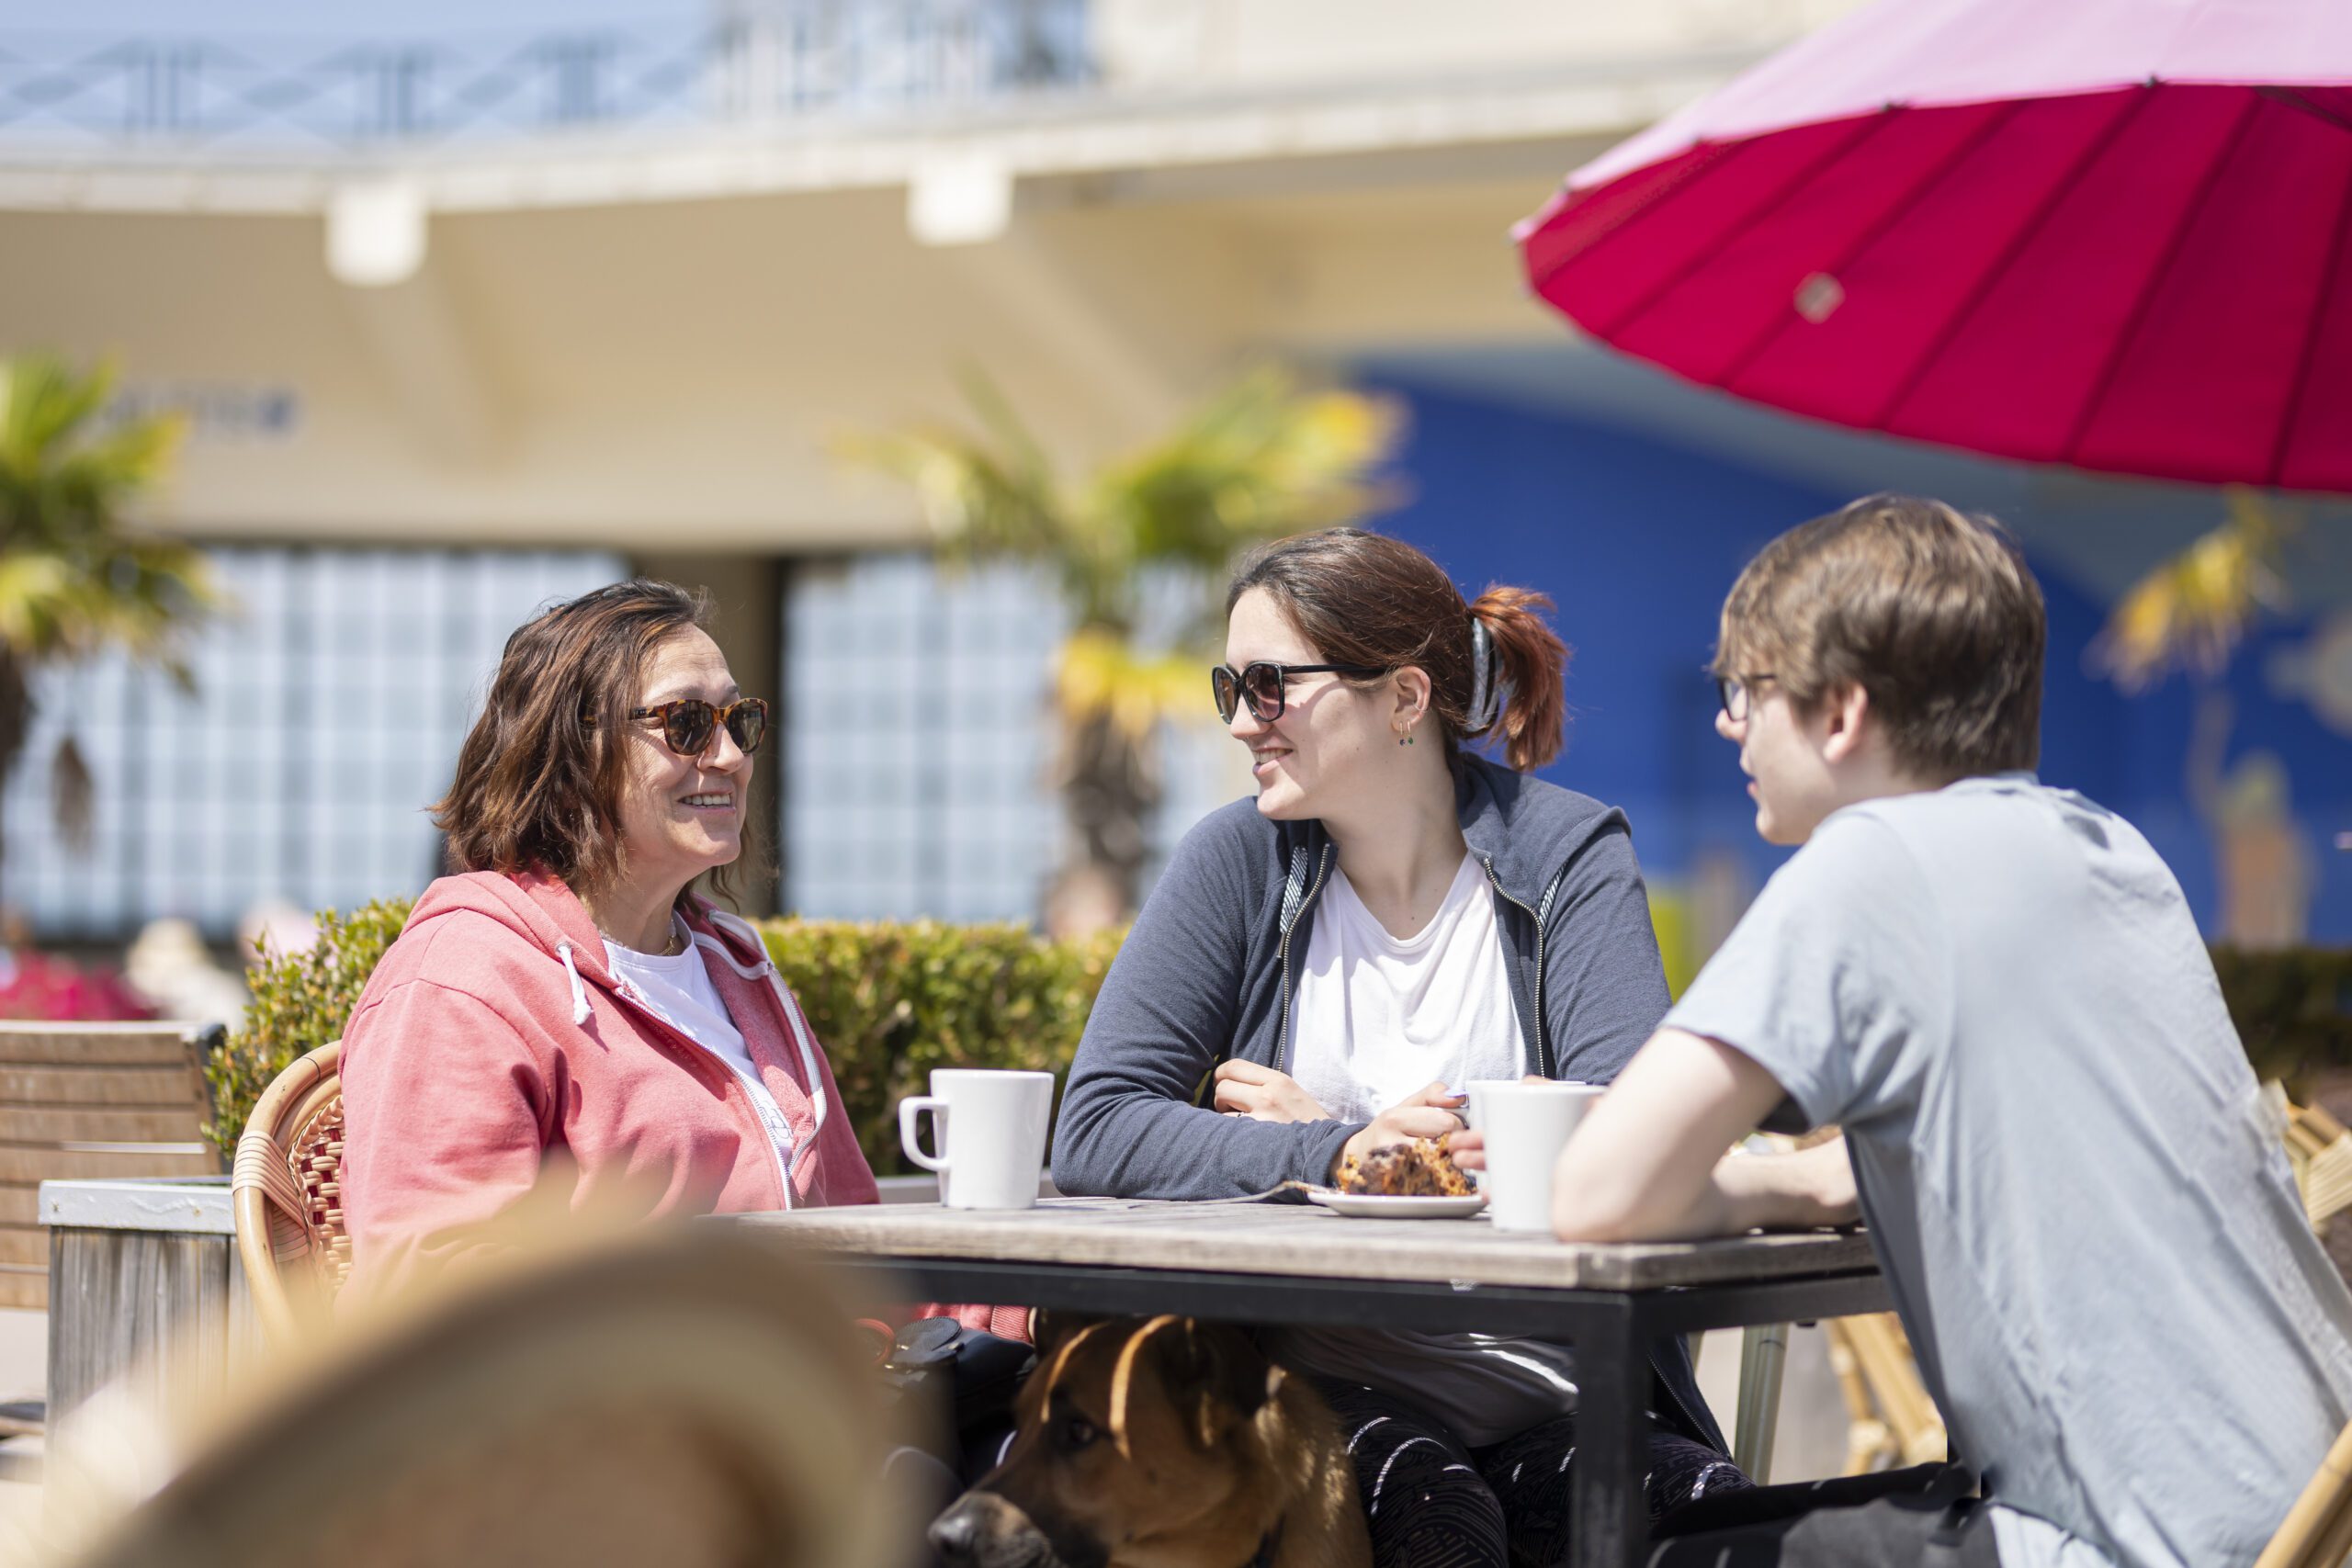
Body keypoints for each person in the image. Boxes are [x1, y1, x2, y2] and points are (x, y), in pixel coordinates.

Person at [1458, 495, 2352, 1567]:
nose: (1726, 725)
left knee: (1625, 1552)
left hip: (2131, 1545)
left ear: (1839, 713)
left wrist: (1783, 1184)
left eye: (1746, 691)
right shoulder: (2107, 851)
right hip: (2302, 1520)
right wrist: (1839, 1175)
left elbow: (1596, 1191)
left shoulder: (1871, 863)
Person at [1051, 528, 1747, 1568]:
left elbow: (1632, 1124)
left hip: (1555, 1386)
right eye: (1230, 687)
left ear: (1406, 700)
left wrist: (1384, 1150)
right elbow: (1099, 1124)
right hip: (1319, 1393)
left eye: (1273, 686)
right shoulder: (1236, 861)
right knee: (1435, 1515)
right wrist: (1333, 1153)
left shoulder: (1567, 853)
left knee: (1713, 1517)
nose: (1244, 722)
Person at [339, 581, 1022, 1348]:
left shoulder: (742, 975)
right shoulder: (462, 980)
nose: (729, 755)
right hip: (638, 1444)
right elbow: (435, 1293)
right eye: (686, 723)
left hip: (820, 1410)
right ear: (572, 750)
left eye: (740, 720)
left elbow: (859, 1250)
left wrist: (1020, 1318)